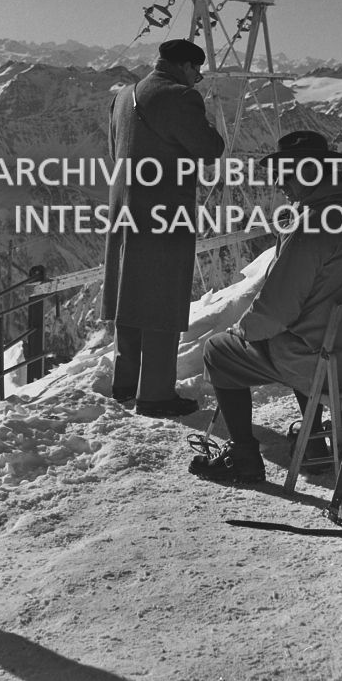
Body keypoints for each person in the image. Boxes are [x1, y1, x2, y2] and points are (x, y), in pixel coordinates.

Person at [189, 130, 342, 484]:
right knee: (306, 333)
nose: (279, 184)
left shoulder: (312, 226)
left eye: (285, 175)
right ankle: (313, 443)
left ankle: (243, 457)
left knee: (220, 351)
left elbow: (273, 313)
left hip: (327, 362)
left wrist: (239, 333)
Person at [102, 38, 226, 418]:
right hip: (163, 210)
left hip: (124, 205)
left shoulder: (124, 95)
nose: (198, 79)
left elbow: (114, 148)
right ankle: (154, 394)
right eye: (197, 72)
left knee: (131, 295)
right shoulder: (179, 96)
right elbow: (209, 148)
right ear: (186, 66)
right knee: (160, 297)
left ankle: (126, 381)